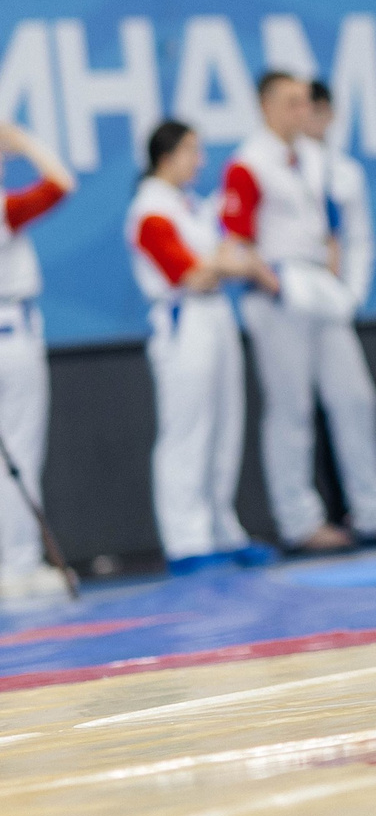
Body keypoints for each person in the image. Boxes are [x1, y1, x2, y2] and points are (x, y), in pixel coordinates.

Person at [221, 72, 376, 553]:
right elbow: (235, 240)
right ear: (266, 106)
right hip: (280, 289)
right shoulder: (248, 165)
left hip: (320, 288)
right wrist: (274, 283)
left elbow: (332, 228)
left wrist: (338, 284)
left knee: (354, 397)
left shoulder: (316, 160)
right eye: (290, 103)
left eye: (303, 102)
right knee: (291, 408)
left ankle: (374, 508)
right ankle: (298, 520)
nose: (300, 112)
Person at [129, 119, 276, 573]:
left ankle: (220, 528)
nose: (200, 161)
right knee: (187, 429)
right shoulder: (151, 210)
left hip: (214, 314)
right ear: (167, 156)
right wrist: (226, 264)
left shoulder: (189, 205)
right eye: (192, 151)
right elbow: (192, 274)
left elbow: (227, 256)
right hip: (183, 319)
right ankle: (186, 539)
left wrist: (223, 263)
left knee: (225, 425)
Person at [0, 120, 75, 604]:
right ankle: (18, 565)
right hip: (11, 334)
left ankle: (15, 562)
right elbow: (61, 183)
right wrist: (24, 140)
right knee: (20, 451)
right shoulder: (5, 209)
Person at [303, 81, 375, 320]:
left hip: (334, 291)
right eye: (307, 110)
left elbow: (359, 237)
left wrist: (353, 294)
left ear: (330, 113)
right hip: (294, 288)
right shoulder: (276, 165)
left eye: (319, 110)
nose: (312, 118)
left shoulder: (347, 173)